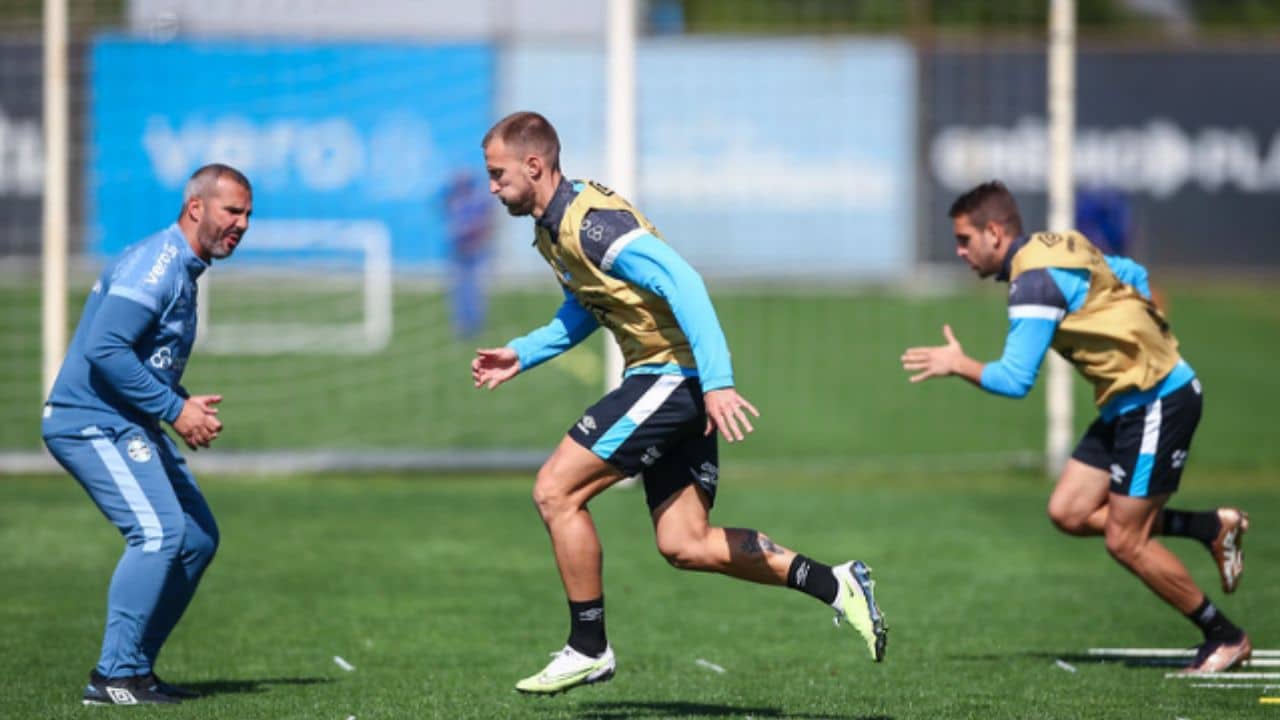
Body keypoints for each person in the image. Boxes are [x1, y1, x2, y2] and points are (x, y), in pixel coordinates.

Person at [473, 111, 887, 694]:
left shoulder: (592, 224)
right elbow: (588, 307)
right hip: (671, 382)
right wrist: (524, 353)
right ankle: (836, 583)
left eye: (498, 174)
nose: (492, 187)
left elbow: (684, 281)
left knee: (554, 490)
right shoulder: (550, 229)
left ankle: (588, 647)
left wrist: (717, 381)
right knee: (685, 543)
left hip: (671, 377)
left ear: (534, 165)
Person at [900, 180, 1249, 674]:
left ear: (994, 233)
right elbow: (1130, 271)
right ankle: (1209, 526)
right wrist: (1138, 330)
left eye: (964, 240)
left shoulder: (1032, 284)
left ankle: (1225, 636)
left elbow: (1014, 379)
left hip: (1159, 402)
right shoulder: (1056, 243)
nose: (959, 252)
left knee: (1126, 541)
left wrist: (958, 363)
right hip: (1127, 403)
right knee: (1069, 510)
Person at [42, 163, 251, 705]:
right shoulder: (157, 265)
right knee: (158, 534)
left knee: (198, 538)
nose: (242, 224)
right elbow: (105, 349)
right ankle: (111, 676)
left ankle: (133, 669)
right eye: (233, 211)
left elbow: (137, 355)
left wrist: (177, 402)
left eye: (248, 214)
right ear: (196, 207)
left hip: (126, 419)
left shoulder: (182, 266)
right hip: (88, 420)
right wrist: (173, 410)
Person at [444, 169, 493, 339]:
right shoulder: (455, 202)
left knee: (475, 290)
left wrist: (477, 242)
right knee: (460, 291)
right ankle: (462, 325)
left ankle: (475, 325)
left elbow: (486, 225)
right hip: (459, 252)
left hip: (475, 252)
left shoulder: (478, 202)